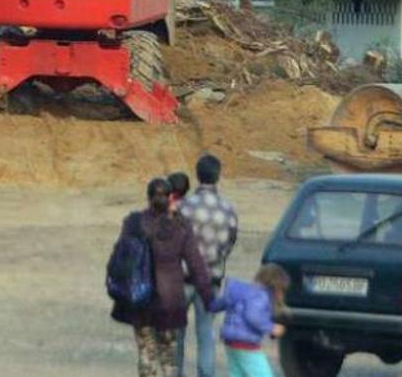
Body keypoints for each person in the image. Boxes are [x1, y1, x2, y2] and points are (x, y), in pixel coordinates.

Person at [113, 178, 219, 377]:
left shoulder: (134, 223)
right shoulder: (181, 226)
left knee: (147, 356)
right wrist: (208, 299)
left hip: (141, 300)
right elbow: (196, 265)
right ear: (171, 198)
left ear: (148, 198)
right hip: (170, 303)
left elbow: (121, 257)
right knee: (169, 359)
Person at [176, 154, 239, 377]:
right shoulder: (227, 209)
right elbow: (230, 242)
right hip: (210, 280)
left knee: (177, 335)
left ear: (197, 174)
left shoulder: (184, 207)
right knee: (206, 335)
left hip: (181, 279)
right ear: (218, 176)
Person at [208, 264, 291, 377]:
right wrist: (271, 328)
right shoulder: (260, 295)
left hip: (230, 342)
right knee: (263, 374)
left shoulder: (239, 290)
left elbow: (220, 304)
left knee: (238, 373)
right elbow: (253, 316)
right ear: (275, 286)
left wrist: (210, 305)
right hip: (247, 344)